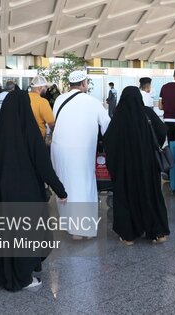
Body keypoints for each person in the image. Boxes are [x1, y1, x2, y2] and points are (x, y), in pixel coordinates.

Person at [0, 90, 67, 291]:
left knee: (8, 232)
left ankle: (9, 273)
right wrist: (60, 190)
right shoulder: (29, 130)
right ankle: (22, 278)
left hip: (1, 189)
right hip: (24, 189)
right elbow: (43, 165)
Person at [104, 86, 170, 244]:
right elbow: (162, 131)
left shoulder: (118, 117)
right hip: (147, 166)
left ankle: (128, 236)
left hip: (125, 168)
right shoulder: (147, 113)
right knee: (151, 195)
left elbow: (108, 141)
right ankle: (158, 232)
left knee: (125, 197)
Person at [51, 70, 110, 239]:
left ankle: (70, 227)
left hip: (59, 149)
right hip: (81, 151)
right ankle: (83, 230)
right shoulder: (92, 101)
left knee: (64, 186)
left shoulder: (59, 100)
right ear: (84, 84)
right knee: (83, 187)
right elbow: (107, 126)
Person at [28, 76, 54, 140]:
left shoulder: (23, 99)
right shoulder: (42, 102)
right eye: (45, 87)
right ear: (40, 88)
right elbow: (51, 123)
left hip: (24, 137)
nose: (46, 89)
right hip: (38, 138)